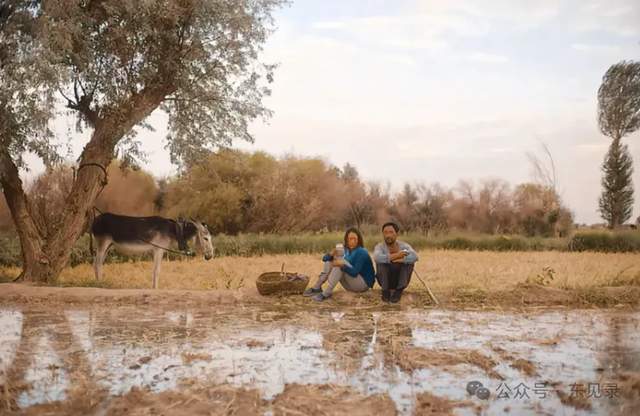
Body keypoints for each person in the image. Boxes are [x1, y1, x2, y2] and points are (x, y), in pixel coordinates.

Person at [303, 227, 375, 302]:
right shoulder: (345, 249)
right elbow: (325, 259)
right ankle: (317, 288)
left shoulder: (361, 252)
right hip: (350, 285)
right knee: (331, 261)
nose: (353, 241)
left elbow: (354, 272)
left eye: (355, 239)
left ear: (359, 239)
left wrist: (341, 264)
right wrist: (331, 254)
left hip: (363, 284)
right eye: (350, 239)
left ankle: (326, 293)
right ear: (346, 239)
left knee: (340, 263)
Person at [373, 222, 418, 303]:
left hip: (400, 279)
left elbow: (415, 256)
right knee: (381, 262)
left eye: (391, 232)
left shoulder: (404, 246)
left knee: (409, 262)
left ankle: (398, 291)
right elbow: (377, 257)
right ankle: (385, 291)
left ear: (397, 234)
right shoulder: (380, 247)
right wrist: (397, 255)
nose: (388, 235)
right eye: (385, 232)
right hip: (385, 281)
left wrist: (402, 260)